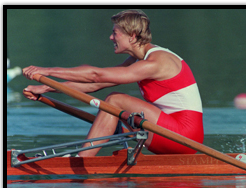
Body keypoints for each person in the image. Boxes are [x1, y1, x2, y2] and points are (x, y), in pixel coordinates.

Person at [22, 9, 204, 156]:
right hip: (171, 134)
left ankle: (82, 158)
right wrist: (45, 88)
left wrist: (46, 71)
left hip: (183, 136)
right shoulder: (139, 60)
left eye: (115, 33)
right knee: (113, 103)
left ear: (132, 36)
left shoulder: (156, 62)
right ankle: (92, 155)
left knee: (115, 100)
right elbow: (95, 84)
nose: (111, 38)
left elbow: (96, 75)